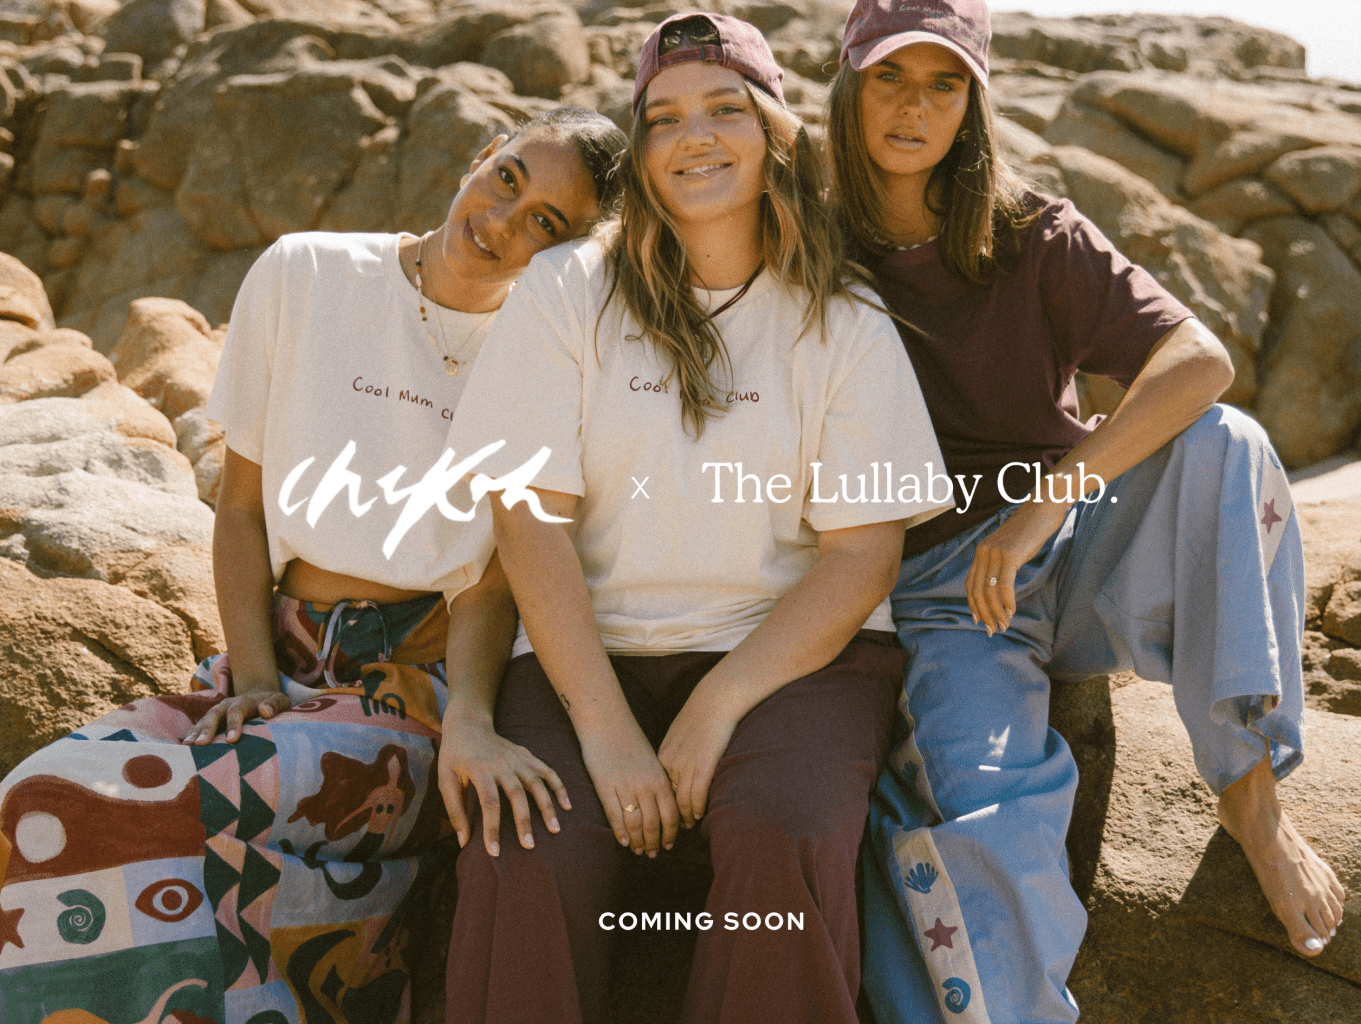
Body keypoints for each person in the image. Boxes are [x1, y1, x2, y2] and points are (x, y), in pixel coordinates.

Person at [0, 108, 627, 1024]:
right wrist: (253, 675)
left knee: (176, 811)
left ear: (565, 255)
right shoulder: (304, 273)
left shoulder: (546, 354)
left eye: (546, 224)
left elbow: (497, 577)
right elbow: (243, 507)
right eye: (510, 180)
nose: (504, 222)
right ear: (484, 151)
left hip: (413, 692)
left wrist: (474, 721)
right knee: (35, 798)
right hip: (275, 664)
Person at [821, 1, 1348, 1021]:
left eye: (942, 82)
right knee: (980, 811)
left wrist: (1040, 507)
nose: (912, 105)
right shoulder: (807, 238)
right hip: (940, 595)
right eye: (890, 76)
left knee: (1224, 443)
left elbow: (1198, 360)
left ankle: (1249, 795)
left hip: (1067, 551)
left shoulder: (1030, 230)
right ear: (847, 83)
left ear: (972, 102)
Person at [440, 13, 954, 1024]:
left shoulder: (841, 319)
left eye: (725, 110)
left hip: (789, 661)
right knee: (522, 846)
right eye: (663, 118)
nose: (694, 137)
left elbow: (860, 556)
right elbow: (527, 519)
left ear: (773, 137)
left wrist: (716, 704)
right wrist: (609, 734)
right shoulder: (566, 290)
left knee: (782, 833)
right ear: (639, 152)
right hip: (585, 649)